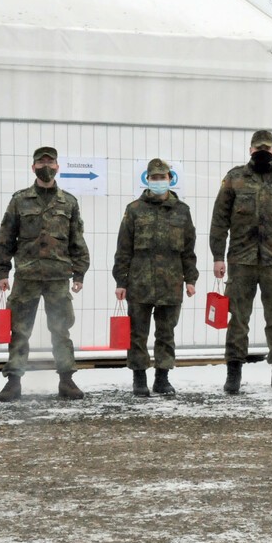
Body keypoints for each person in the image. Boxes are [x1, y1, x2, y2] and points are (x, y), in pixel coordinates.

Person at [209, 129, 272, 394]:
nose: (262, 152)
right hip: (241, 261)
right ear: (250, 150)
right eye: (257, 148)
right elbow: (219, 220)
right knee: (238, 319)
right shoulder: (234, 179)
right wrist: (218, 256)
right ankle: (233, 373)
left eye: (267, 148)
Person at [0, 146, 90, 402]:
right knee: (20, 330)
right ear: (33, 167)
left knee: (61, 330)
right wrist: (3, 270)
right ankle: (13, 382)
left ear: (58, 166)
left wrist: (79, 273)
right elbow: (6, 237)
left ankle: (67, 380)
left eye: (50, 162)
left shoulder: (69, 202)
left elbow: (76, 240)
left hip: (58, 276)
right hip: (27, 276)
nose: (46, 166)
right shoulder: (19, 200)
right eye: (41, 162)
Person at [112, 158, 199, 397]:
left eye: (163, 177)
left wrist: (190, 279)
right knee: (137, 333)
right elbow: (123, 249)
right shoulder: (134, 210)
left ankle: (162, 378)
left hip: (171, 283)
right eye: (154, 178)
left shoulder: (182, 211)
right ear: (147, 180)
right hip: (139, 283)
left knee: (166, 333)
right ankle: (139, 378)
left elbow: (189, 249)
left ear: (170, 180)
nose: (159, 181)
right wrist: (121, 281)